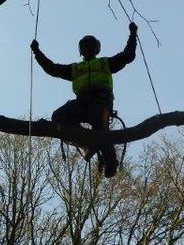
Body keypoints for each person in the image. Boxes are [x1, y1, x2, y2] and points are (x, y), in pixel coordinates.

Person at [31, 22, 138, 177]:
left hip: (100, 100)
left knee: (99, 126)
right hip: (82, 102)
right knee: (58, 117)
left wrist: (133, 34)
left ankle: (110, 161)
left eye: (91, 45)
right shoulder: (75, 68)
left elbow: (127, 55)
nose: (87, 48)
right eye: (85, 46)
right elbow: (52, 68)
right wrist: (37, 52)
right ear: (80, 50)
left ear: (97, 49)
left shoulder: (105, 63)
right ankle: (86, 143)